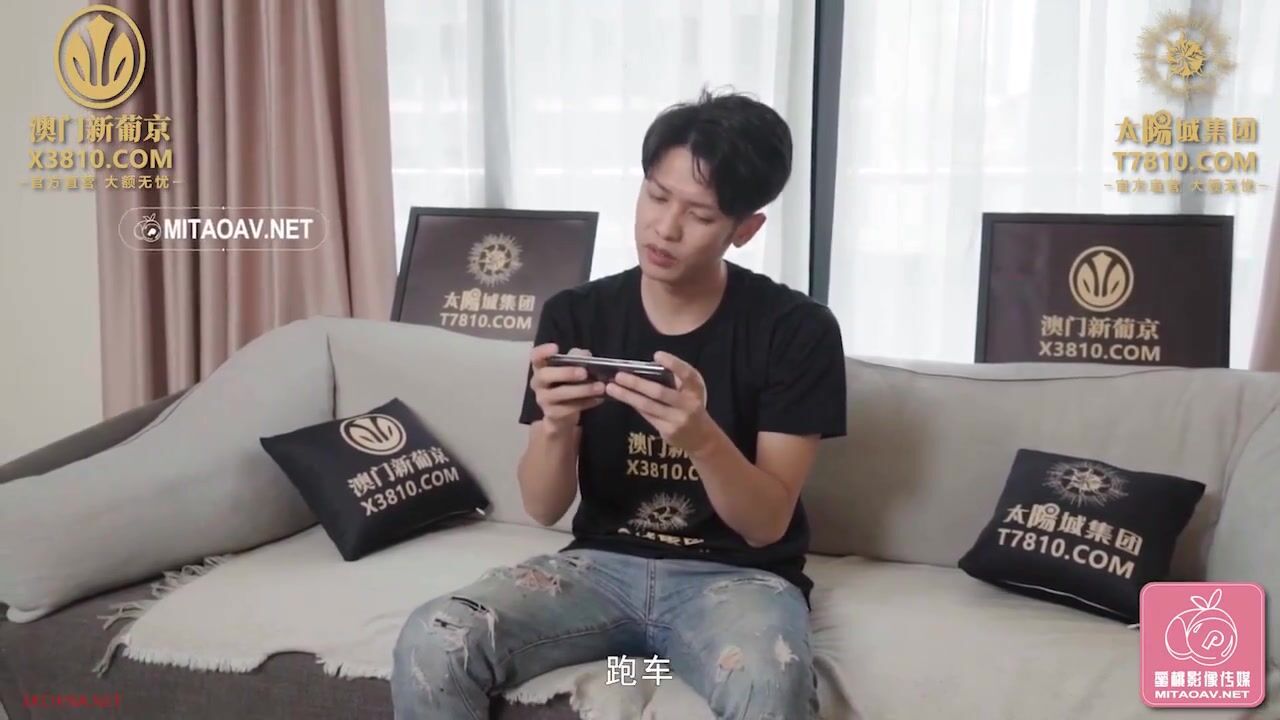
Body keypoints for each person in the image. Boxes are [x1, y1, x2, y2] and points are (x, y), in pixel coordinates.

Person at [391, 89, 847, 720]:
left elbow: (767, 524)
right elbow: (543, 507)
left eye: (700, 214)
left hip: (739, 581)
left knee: (769, 682)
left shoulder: (797, 329)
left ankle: (658, 662)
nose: (665, 228)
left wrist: (702, 439)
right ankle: (645, 659)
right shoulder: (577, 314)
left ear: (745, 229)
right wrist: (557, 424)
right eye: (656, 196)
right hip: (599, 574)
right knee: (434, 639)